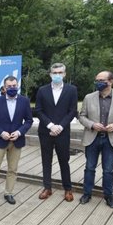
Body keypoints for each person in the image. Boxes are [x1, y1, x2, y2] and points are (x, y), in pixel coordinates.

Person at [78, 71, 113, 207]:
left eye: (102, 80)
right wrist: (91, 124)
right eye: (97, 80)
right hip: (92, 137)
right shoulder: (89, 97)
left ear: (111, 81)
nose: (98, 83)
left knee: (108, 170)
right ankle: (87, 194)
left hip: (111, 138)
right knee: (89, 167)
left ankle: (108, 196)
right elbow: (82, 116)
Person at [0, 76, 34, 205]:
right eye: (9, 86)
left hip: (17, 140)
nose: (12, 88)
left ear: (17, 86)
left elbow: (29, 120)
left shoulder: (24, 101)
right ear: (4, 88)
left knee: (13, 169)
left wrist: (19, 132)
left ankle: (8, 193)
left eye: (14, 85)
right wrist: (1, 132)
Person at [35, 62, 78, 202]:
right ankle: (47, 187)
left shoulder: (72, 90)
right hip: (46, 131)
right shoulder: (42, 90)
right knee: (46, 160)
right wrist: (50, 125)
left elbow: (72, 111)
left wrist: (60, 126)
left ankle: (68, 189)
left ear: (64, 74)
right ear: (50, 74)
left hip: (63, 131)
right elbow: (38, 110)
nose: (57, 75)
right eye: (55, 73)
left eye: (60, 73)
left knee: (64, 160)